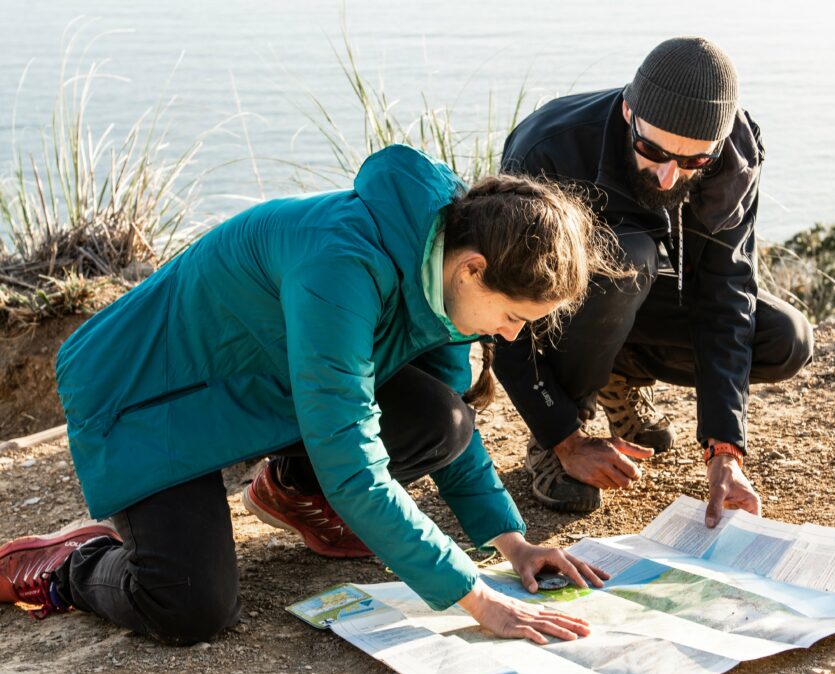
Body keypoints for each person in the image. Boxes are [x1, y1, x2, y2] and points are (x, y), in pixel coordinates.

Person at [0, 145, 619, 646]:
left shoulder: (446, 268)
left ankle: (289, 489)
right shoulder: (340, 266)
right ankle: (70, 567)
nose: (512, 334)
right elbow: (355, 470)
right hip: (147, 397)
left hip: (267, 384)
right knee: (189, 608)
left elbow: (450, 431)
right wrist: (478, 599)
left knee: (444, 418)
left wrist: (513, 543)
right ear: (473, 269)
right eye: (512, 314)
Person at [495, 37, 814, 526]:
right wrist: (561, 433)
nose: (668, 176)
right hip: (565, 309)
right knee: (627, 256)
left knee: (785, 339)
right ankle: (556, 436)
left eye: (693, 163)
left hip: (639, 301)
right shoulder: (550, 148)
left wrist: (725, 451)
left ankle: (619, 376)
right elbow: (502, 310)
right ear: (628, 111)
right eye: (652, 150)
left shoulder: (734, 160)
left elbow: (725, 298)